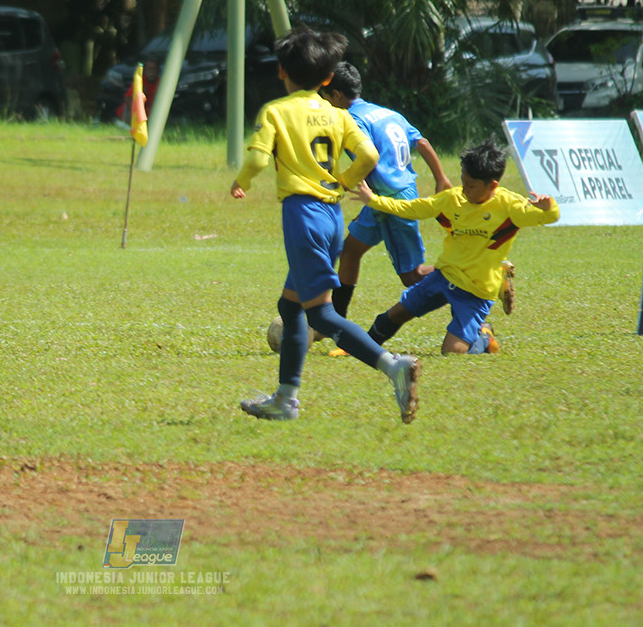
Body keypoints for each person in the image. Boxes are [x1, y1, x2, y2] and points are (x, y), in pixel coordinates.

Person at [229, 26, 421, 424]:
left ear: (282, 71)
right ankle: (285, 399)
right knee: (291, 305)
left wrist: (241, 181)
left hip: (302, 216)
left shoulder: (277, 112)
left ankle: (392, 366)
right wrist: (345, 182)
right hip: (333, 216)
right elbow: (368, 154)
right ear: (328, 77)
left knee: (319, 314)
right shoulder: (337, 114)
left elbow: (258, 160)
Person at [351, 138, 559, 355]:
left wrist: (548, 205)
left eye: (471, 186)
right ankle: (358, 348)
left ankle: (484, 337)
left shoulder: (511, 207)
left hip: (476, 291)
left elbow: (551, 216)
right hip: (444, 276)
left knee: (452, 353)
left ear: (492, 186)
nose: (464, 190)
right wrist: (373, 200)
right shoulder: (453, 199)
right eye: (463, 182)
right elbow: (414, 208)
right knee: (397, 313)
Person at [320, 62, 453, 324]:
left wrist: (341, 185)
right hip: (382, 198)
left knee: (412, 275)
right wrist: (441, 178)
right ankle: (336, 323)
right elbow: (422, 142)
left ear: (336, 95)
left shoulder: (352, 119)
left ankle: (472, 276)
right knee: (350, 251)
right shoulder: (386, 112)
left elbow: (368, 158)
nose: (324, 102)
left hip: (391, 201)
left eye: (325, 96)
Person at [115, 59, 160, 125]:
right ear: (145, 71)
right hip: (135, 112)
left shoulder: (161, 84)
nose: (151, 72)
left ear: (158, 71)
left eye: (154, 69)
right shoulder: (140, 82)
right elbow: (128, 99)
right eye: (149, 69)